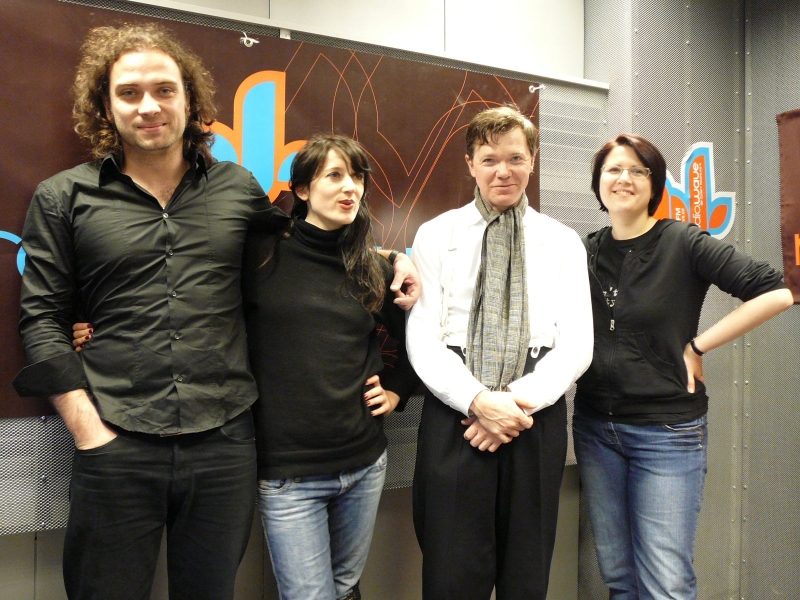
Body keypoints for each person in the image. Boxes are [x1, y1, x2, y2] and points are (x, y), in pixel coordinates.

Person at [13, 23, 417, 600]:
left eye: (164, 89)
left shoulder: (236, 188)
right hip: (115, 438)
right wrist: (87, 429)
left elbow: (307, 246)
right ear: (105, 105)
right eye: (129, 92)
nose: (148, 106)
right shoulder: (64, 197)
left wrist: (392, 257)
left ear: (190, 100)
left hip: (224, 442)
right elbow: (42, 319)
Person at [572, 133, 794, 600]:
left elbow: (777, 292)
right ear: (598, 183)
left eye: (637, 170)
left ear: (654, 183)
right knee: (618, 575)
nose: (624, 179)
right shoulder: (585, 250)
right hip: (595, 429)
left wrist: (698, 346)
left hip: (666, 433)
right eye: (613, 170)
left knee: (666, 583)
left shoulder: (682, 241)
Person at [405, 105, 594, 600]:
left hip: (534, 412)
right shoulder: (436, 234)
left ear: (533, 159)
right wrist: (478, 401)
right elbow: (422, 336)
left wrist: (513, 403)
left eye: (515, 158)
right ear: (470, 163)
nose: (503, 171)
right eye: (489, 160)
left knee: (525, 572)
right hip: (456, 409)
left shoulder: (562, 241)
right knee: (450, 573)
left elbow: (578, 342)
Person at [242, 133, 418, 600]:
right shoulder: (261, 253)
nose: (350, 188)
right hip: (287, 473)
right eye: (335, 175)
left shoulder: (371, 268)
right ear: (302, 189)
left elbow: (415, 342)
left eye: (357, 177)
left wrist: (397, 389)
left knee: (343, 589)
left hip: (364, 463)